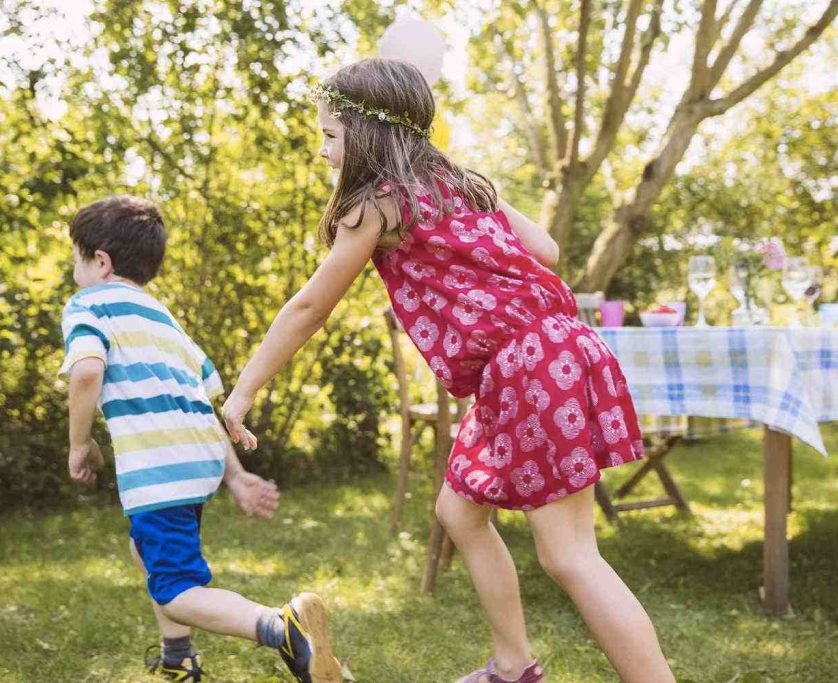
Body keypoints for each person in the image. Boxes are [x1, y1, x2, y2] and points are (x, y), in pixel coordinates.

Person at [221, 59, 674, 683]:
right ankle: (513, 664)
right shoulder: (465, 184)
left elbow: (309, 307)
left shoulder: (376, 205)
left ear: (368, 134)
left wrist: (244, 389)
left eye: (330, 134)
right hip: (553, 352)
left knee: (571, 556)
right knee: (459, 512)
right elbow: (546, 250)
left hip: (529, 367)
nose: (322, 150)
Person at [60, 194, 344, 683]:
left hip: (159, 471)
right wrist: (234, 476)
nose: (73, 271)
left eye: (75, 258)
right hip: (197, 462)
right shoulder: (164, 319)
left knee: (175, 588)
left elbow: (86, 372)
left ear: (101, 262)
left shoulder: (89, 304)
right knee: (143, 550)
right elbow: (201, 400)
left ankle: (283, 628)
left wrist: (79, 444)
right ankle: (178, 659)